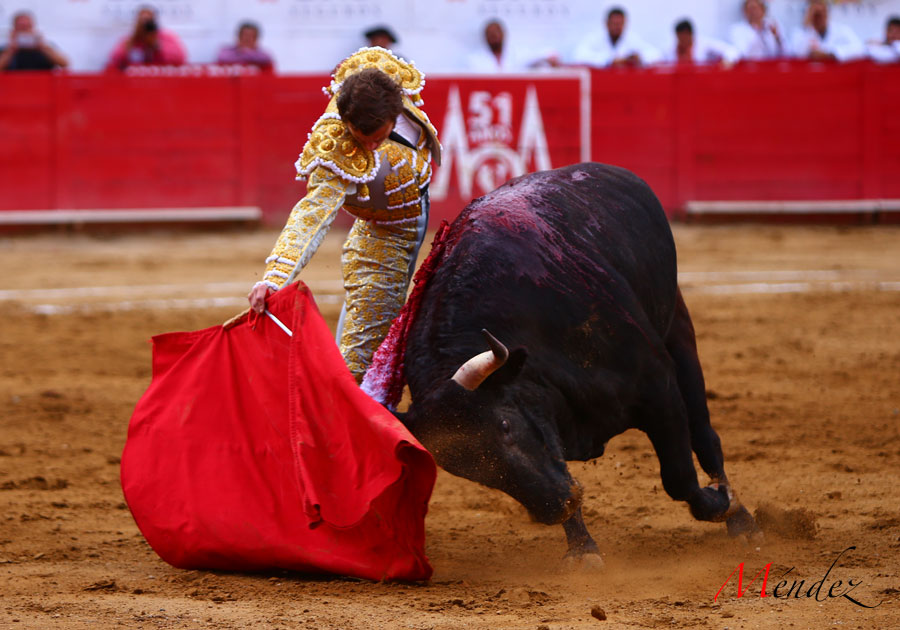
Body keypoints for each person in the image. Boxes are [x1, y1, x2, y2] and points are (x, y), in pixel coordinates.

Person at [246, 47, 441, 384]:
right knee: (360, 366)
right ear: (347, 122)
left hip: (406, 218)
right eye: (362, 140)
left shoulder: (383, 78)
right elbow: (311, 215)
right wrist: (275, 278)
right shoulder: (335, 150)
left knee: (372, 344)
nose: (371, 149)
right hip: (384, 237)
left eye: (378, 139)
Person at [570, 6, 661, 68]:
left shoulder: (632, 39)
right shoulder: (595, 38)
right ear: (606, 23)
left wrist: (639, 58)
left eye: (620, 24)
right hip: (599, 82)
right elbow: (578, 56)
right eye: (614, 24)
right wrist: (609, 60)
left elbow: (656, 54)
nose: (617, 27)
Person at [106, 5, 187, 71]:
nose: (145, 25)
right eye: (142, 21)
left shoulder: (166, 37)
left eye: (148, 21)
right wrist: (131, 43)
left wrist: (157, 46)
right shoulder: (130, 39)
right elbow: (115, 59)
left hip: (162, 81)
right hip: (134, 83)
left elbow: (180, 57)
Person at [465, 19, 560, 72]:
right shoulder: (474, 59)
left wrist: (548, 59)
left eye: (496, 33)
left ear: (503, 34)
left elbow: (545, 54)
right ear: (484, 37)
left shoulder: (517, 53)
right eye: (489, 34)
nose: (493, 36)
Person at [789, 0, 865, 62]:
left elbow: (859, 48)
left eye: (823, 12)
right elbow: (796, 52)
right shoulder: (801, 32)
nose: (820, 18)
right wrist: (807, 24)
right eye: (816, 14)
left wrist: (831, 54)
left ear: (827, 13)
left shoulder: (841, 30)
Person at [0, 10, 68, 71]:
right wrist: (11, 50)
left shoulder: (46, 48)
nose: (25, 31)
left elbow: (64, 63)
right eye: (22, 27)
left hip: (43, 84)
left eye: (28, 27)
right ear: (14, 29)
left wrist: (43, 47)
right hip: (14, 84)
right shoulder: (6, 50)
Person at [664, 19, 740, 66]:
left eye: (684, 37)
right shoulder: (671, 49)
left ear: (690, 34)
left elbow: (732, 50)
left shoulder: (705, 44)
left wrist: (727, 61)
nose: (682, 40)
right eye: (679, 37)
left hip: (703, 82)